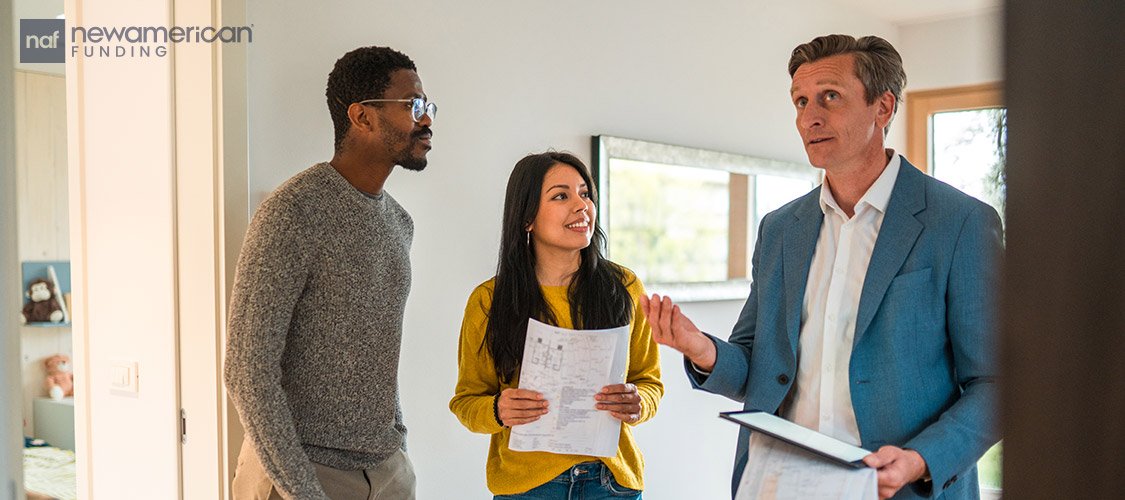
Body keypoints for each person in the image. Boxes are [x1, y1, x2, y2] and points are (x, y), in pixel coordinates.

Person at [640, 34, 1002, 500]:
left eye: (830, 97)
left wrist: (919, 460)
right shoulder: (779, 229)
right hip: (778, 483)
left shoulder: (960, 223)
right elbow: (757, 369)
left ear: (883, 108)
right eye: (800, 101)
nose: (810, 116)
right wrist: (701, 348)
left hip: (899, 488)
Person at [224, 46, 435, 500]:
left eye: (428, 107)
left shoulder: (400, 224)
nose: (427, 119)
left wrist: (396, 444)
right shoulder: (292, 212)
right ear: (361, 116)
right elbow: (246, 367)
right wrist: (302, 489)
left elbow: (375, 352)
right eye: (413, 105)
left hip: (387, 473)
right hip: (301, 475)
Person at [450, 152, 664, 499]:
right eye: (561, 195)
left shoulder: (623, 287)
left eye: (585, 193)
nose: (581, 205)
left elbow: (649, 381)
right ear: (527, 217)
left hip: (611, 484)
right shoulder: (489, 300)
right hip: (528, 487)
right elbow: (466, 402)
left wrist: (639, 402)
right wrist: (498, 409)